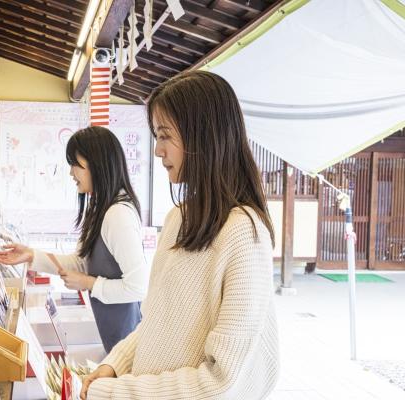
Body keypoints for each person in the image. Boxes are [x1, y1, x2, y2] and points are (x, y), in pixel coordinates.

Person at [80, 70, 279, 399]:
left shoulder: (245, 233)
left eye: (165, 135)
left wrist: (117, 392)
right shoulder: (176, 219)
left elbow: (221, 379)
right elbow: (155, 322)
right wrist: (115, 364)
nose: (158, 150)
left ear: (204, 136)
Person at [0, 126, 149, 353]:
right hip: (116, 341)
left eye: (75, 164)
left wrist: (88, 284)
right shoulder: (103, 209)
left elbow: (138, 287)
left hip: (129, 344)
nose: (70, 173)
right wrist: (31, 255)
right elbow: (83, 262)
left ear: (97, 164)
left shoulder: (118, 215)